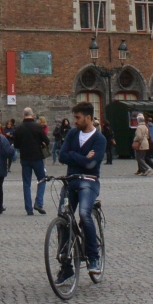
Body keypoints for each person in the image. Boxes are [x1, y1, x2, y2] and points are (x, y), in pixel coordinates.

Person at [56, 102, 106, 285]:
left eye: (78, 118)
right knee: (63, 218)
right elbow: (62, 156)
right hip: (71, 180)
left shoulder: (99, 139)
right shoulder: (72, 133)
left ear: (88, 118)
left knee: (84, 214)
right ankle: (66, 266)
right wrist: (83, 158)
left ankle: (93, 257)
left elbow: (91, 165)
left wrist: (74, 156)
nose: (75, 121)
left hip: (89, 181)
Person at [15, 106, 48, 215]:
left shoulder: (19, 128)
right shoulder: (38, 127)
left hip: (25, 158)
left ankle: (29, 209)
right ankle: (38, 203)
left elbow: (16, 145)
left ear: (23, 115)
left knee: (26, 183)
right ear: (32, 115)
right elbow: (47, 141)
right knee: (42, 179)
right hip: (37, 157)